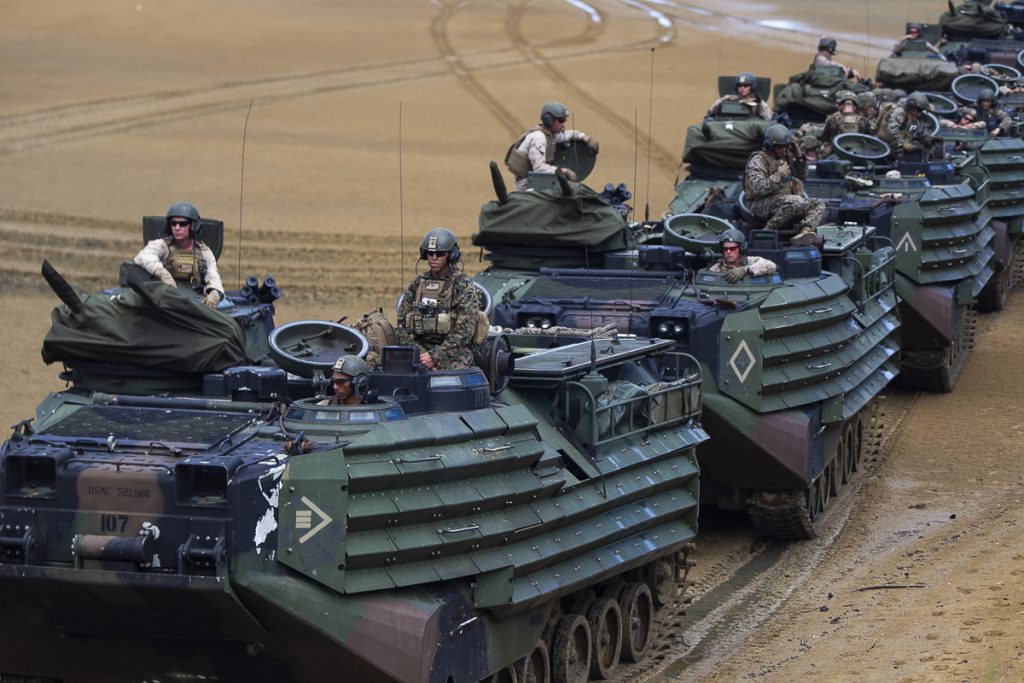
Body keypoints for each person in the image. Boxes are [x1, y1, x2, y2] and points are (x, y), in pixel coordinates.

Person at [397, 227, 480, 370]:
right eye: (430, 253)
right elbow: (402, 325)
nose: (434, 258)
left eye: (440, 254)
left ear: (451, 255)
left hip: (452, 353)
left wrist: (435, 357)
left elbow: (465, 329)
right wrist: (420, 355)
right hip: (418, 351)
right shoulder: (417, 284)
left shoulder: (462, 284)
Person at [743, 124, 825, 246]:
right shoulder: (758, 161)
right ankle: (768, 229)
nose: (784, 150)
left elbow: (802, 177)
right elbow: (758, 188)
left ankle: (804, 233)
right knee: (794, 200)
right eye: (781, 147)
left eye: (786, 146)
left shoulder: (785, 158)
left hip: (787, 202)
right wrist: (779, 175)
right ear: (770, 146)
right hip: (762, 205)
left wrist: (799, 158)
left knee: (818, 203)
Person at [133, 202, 224, 308]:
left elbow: (213, 275)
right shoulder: (162, 245)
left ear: (193, 226)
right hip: (166, 297)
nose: (177, 228)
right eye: (173, 223)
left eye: (182, 224)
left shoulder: (204, 251)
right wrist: (163, 274)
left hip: (194, 298)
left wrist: (215, 293)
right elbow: (143, 257)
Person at [505, 102, 599, 191]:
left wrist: (586, 139)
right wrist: (563, 171)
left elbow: (570, 135)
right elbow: (539, 168)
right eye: (561, 121)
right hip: (527, 185)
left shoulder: (550, 135)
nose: (563, 125)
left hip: (540, 181)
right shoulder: (538, 138)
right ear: (549, 120)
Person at [709, 228, 777, 283]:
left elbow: (772, 265)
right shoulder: (716, 268)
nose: (728, 252)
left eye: (732, 248)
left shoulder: (750, 261)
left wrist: (746, 270)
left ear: (741, 248)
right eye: (725, 249)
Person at [881, 92, 934, 159]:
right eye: (919, 110)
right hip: (889, 145)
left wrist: (931, 140)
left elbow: (920, 133)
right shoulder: (899, 112)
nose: (919, 114)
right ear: (911, 106)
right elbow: (892, 130)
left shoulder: (915, 118)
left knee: (922, 147)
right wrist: (903, 143)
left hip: (902, 144)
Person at [706, 72, 772, 121]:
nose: (742, 88)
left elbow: (768, 120)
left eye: (745, 86)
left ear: (752, 87)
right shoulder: (727, 100)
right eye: (740, 86)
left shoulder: (758, 103)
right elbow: (710, 114)